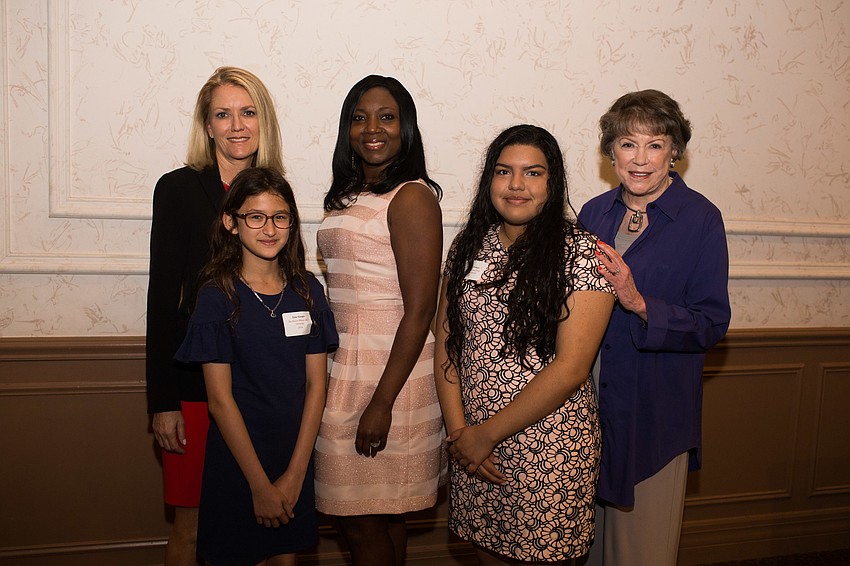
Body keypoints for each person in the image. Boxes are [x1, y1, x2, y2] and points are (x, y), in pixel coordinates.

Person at [434, 124, 615, 565]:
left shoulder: (583, 254)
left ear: (553, 183)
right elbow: (447, 340)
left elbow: (572, 367)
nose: (516, 185)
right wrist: (461, 434)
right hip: (473, 447)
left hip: (548, 449)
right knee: (485, 553)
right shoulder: (468, 246)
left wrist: (485, 435)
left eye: (532, 173)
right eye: (504, 171)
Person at [577, 90, 731, 566]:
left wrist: (639, 303)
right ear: (611, 152)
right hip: (588, 407)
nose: (640, 159)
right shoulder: (592, 213)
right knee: (585, 549)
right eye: (628, 144)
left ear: (674, 152)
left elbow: (711, 323)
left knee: (640, 553)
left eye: (655, 144)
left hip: (654, 412)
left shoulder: (701, 219)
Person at [146, 66, 285, 565]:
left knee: (263, 522)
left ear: (263, 121)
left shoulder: (272, 191)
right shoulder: (179, 189)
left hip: (261, 387)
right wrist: (163, 401)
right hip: (195, 390)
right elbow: (163, 299)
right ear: (207, 125)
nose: (237, 125)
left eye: (248, 112)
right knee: (193, 525)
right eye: (223, 115)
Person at [174, 167, 339, 565]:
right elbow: (220, 401)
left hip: (293, 450)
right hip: (239, 458)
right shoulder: (217, 296)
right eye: (255, 217)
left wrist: (296, 474)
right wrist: (260, 486)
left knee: (285, 557)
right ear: (231, 223)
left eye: (280, 217)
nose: (269, 229)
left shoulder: (307, 291)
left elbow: (316, 387)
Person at [313, 75, 446, 566]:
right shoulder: (351, 194)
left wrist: (382, 402)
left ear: (405, 127)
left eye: (387, 117)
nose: (372, 128)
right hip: (346, 361)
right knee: (379, 517)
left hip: (390, 371)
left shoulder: (411, 197)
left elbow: (421, 309)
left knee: (362, 519)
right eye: (360, 117)